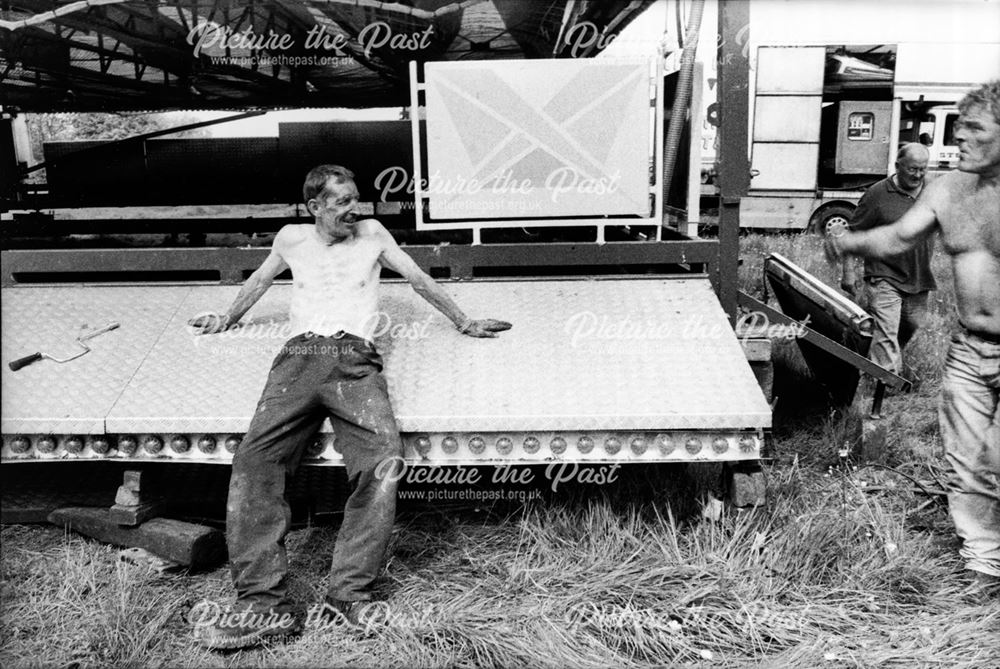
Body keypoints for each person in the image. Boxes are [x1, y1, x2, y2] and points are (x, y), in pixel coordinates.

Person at [187, 164, 512, 649]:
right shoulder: (291, 238)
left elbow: (419, 279)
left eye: (354, 199)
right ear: (315, 205)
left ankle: (350, 594)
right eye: (340, 202)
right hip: (298, 357)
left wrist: (463, 321)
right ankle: (263, 605)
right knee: (256, 463)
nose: (351, 209)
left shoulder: (374, 234)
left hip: (355, 361)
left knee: (381, 463)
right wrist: (226, 318)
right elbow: (258, 281)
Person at [826, 81, 1000, 595]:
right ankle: (984, 562)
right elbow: (900, 235)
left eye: (974, 128)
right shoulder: (947, 188)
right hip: (970, 347)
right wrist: (851, 242)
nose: (959, 137)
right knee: (965, 457)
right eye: (960, 126)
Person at [841, 143, 934, 382]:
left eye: (922, 169)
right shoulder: (877, 194)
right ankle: (885, 385)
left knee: (910, 325)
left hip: (919, 277)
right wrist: (848, 272)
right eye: (912, 169)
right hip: (883, 274)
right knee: (887, 332)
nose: (918, 175)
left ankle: (866, 352)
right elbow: (852, 234)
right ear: (897, 166)